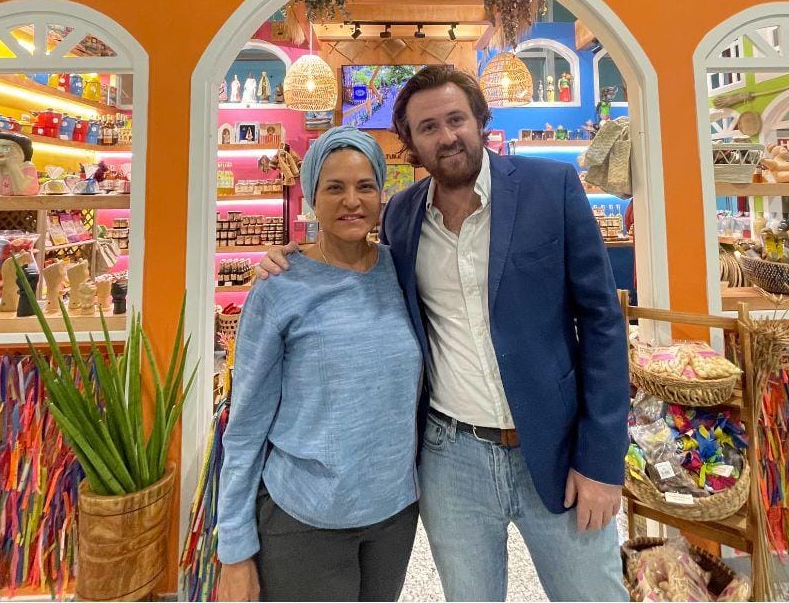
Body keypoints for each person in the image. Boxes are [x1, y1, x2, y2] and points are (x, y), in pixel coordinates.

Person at [258, 66, 630, 602]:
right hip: (452, 458)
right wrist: (289, 259)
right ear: (411, 143)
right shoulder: (402, 216)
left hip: (557, 447)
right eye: (428, 127)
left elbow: (602, 323)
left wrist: (601, 460)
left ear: (480, 120)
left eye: (456, 119)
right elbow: (355, 266)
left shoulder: (552, 188)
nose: (447, 136)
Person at [217, 126, 422, 603]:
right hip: (304, 516)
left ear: (381, 193)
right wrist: (235, 548)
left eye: (365, 186)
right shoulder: (280, 286)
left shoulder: (402, 270)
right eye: (334, 187)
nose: (352, 200)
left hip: (393, 514)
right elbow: (245, 426)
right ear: (311, 196)